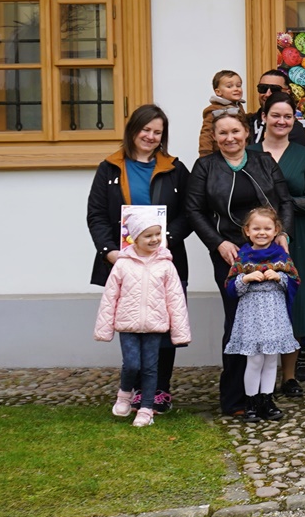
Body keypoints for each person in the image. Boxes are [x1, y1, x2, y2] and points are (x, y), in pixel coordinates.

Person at [186, 111, 293, 419]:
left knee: (271, 322)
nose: (230, 138)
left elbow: (285, 201)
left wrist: (282, 232)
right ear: (215, 137)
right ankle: (235, 398)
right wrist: (218, 242)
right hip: (231, 255)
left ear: (247, 133)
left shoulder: (264, 161)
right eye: (223, 133)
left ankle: (265, 398)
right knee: (237, 324)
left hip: (270, 253)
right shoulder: (205, 167)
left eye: (235, 131)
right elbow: (194, 210)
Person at [87, 104, 191, 413]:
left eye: (157, 132)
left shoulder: (175, 168)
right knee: (133, 326)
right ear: (133, 130)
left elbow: (189, 213)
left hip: (165, 263)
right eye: (145, 130)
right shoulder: (109, 168)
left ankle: (160, 390)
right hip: (124, 263)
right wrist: (109, 251)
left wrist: (164, 242)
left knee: (164, 325)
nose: (150, 136)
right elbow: (96, 216)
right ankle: (130, 388)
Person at [92, 210, 192, 428]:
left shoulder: (166, 264)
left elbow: (175, 300)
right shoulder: (122, 264)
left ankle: (146, 409)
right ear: (135, 238)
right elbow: (110, 297)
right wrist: (104, 329)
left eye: (158, 234)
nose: (155, 239)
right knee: (131, 364)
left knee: (150, 367)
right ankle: (124, 394)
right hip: (128, 325)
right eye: (148, 236)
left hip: (155, 326)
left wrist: (180, 332)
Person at [258, 96, 305, 395]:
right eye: (275, 115)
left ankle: (289, 376)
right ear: (264, 117)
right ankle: (260, 377)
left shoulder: (304, 155)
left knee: (295, 301)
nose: (281, 121)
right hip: (256, 242)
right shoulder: (250, 153)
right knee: (260, 301)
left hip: (296, 237)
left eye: (287, 116)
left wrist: (277, 207)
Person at [222, 207, 300, 422]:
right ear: (247, 231)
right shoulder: (242, 257)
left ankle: (267, 399)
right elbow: (230, 287)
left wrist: (280, 277)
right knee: (254, 360)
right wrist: (245, 279)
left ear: (276, 231)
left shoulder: (282, 257)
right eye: (256, 228)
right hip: (252, 316)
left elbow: (294, 281)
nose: (262, 233)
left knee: (270, 360)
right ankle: (251, 401)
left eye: (267, 228)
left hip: (274, 315)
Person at [247, 68, 305, 147]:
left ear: (287, 92)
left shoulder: (292, 128)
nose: (267, 94)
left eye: (275, 89)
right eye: (263, 88)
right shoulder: (246, 122)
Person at [197, 69, 245, 156]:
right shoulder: (214, 110)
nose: (236, 89)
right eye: (229, 86)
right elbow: (206, 134)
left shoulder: (238, 106)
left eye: (238, 86)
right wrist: (205, 155)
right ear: (218, 92)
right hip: (219, 154)